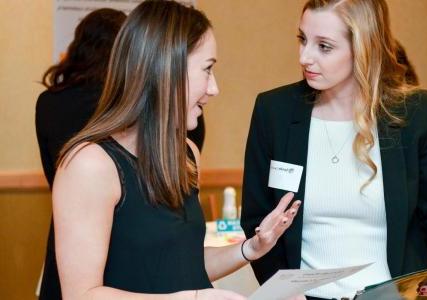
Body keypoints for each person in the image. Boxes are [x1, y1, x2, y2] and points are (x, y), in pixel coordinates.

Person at [51, 1, 300, 298]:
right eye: (207, 70)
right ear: (166, 70)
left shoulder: (186, 154)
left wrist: (251, 248)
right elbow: (81, 294)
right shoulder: (89, 165)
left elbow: (183, 265)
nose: (214, 88)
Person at [240, 0, 427, 299]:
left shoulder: (418, 114)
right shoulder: (275, 112)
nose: (305, 56)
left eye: (324, 46)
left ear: (364, 47)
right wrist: (282, 292)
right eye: (302, 39)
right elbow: (257, 220)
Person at [35, 8, 127, 299]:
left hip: (67, 234)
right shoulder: (126, 103)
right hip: (126, 240)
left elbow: (53, 171)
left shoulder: (50, 102)